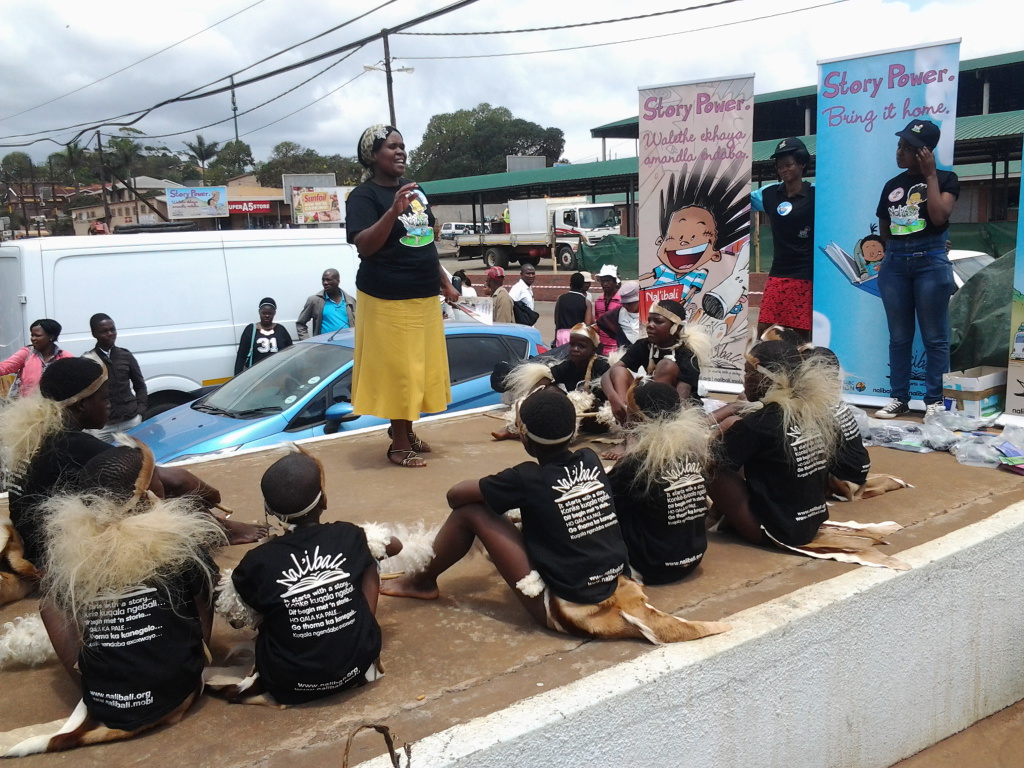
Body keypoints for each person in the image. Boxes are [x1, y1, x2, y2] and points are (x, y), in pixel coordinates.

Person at [381, 387, 729, 645]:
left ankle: (421, 581)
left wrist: (500, 492)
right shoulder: (591, 459)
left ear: (526, 441)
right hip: (612, 580)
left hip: (569, 604)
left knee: (471, 512)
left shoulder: (525, 478)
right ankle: (423, 580)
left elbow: (455, 495)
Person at [3, 439, 224, 757]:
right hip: (179, 691)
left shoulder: (73, 553)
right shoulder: (178, 541)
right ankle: (191, 659)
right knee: (201, 577)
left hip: (109, 706)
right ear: (145, 493)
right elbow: (206, 590)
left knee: (51, 604)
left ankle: (97, 684)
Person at [0, 358, 262, 567]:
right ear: (80, 406)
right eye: (104, 398)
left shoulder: (40, 434)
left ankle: (220, 528)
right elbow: (175, 480)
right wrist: (211, 497)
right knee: (155, 494)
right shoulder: (74, 444)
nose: (110, 405)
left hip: (33, 543)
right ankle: (222, 530)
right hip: (56, 554)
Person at [215, 449, 398, 706]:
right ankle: (356, 633)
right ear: (324, 500)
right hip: (357, 666)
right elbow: (394, 545)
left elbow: (235, 617)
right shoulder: (349, 535)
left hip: (289, 682)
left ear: (269, 509)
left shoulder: (256, 562)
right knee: (369, 557)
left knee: (265, 594)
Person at [346, 124, 460, 468]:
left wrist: (444, 281)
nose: (401, 152)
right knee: (400, 371)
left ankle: (406, 432)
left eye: (402, 146)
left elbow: (425, 241)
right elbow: (364, 245)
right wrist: (392, 211)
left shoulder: (417, 191)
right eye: (392, 147)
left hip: (423, 294)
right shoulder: (364, 197)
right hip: (386, 298)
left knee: (419, 369)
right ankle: (397, 444)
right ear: (372, 155)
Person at [707, 340, 840, 547]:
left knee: (711, 467)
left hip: (783, 532)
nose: (744, 380)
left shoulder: (758, 424)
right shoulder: (811, 410)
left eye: (748, 373)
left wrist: (718, 432)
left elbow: (712, 458)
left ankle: (723, 519)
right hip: (812, 522)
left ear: (764, 379)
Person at [874, 119, 959, 419]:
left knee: (935, 337)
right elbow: (886, 230)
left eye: (908, 148)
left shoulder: (947, 180)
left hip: (931, 263)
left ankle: (934, 400)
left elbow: (938, 217)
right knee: (899, 337)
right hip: (895, 263)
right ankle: (899, 398)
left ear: (926, 152)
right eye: (899, 146)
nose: (900, 152)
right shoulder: (891, 186)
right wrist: (898, 248)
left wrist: (931, 175)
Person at [607, 381, 713, 585]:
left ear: (638, 420)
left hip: (655, 566)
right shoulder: (692, 453)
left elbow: (606, 502)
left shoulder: (637, 464)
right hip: (694, 558)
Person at [490, 323, 610, 441]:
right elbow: (547, 379)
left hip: (597, 420)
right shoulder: (568, 365)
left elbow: (609, 399)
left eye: (581, 346)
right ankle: (514, 428)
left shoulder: (602, 367)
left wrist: (588, 397)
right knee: (548, 390)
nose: (575, 349)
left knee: (580, 396)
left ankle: (566, 433)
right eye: (572, 344)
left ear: (593, 349)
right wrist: (530, 397)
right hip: (577, 418)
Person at [751, 138, 815, 342]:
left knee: (801, 334)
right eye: (780, 166)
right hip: (778, 272)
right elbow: (739, 200)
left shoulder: (816, 194)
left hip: (806, 274)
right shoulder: (768, 194)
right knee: (764, 328)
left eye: (789, 164)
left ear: (802, 164)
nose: (784, 170)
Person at [83, 313, 148, 442]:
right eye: (104, 331)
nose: (110, 334)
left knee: (135, 457)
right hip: (103, 426)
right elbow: (84, 395)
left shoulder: (125, 355)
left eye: (112, 330)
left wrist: (140, 411)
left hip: (130, 420)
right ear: (94, 334)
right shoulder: (88, 360)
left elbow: (140, 385)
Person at [0, 319, 73, 398]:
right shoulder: (26, 353)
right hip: (25, 406)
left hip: (53, 406)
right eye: (32, 335)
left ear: (51, 337)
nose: (33, 338)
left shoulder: (65, 357)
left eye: (37, 335)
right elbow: (5, 367)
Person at [235, 298, 294, 375]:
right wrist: (237, 377)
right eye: (264, 313)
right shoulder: (251, 329)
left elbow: (290, 353)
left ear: (274, 313)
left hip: (278, 373)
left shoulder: (281, 330)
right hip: (256, 375)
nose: (267, 316)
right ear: (259, 312)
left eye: (270, 313)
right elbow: (241, 356)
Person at [296, 269, 356, 340]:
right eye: (323, 280)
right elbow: (300, 324)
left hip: (346, 345)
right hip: (326, 347)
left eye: (328, 280)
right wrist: (306, 342)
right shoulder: (315, 301)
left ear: (338, 281)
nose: (325, 283)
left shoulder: (350, 301)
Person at [596, 280, 641, 349]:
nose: (626, 306)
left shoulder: (648, 313)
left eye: (630, 304)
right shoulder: (616, 313)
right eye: (624, 304)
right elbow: (601, 322)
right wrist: (619, 336)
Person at [552, 272, 594, 347]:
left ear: (570, 284)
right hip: (577, 335)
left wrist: (556, 337)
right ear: (582, 285)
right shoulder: (586, 302)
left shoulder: (560, 298)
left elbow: (556, 321)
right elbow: (587, 325)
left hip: (561, 335)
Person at [592, 265, 622, 353]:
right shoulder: (598, 301)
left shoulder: (622, 301)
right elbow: (598, 322)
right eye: (603, 281)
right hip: (601, 347)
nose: (605, 284)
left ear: (615, 282)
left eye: (608, 281)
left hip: (618, 347)